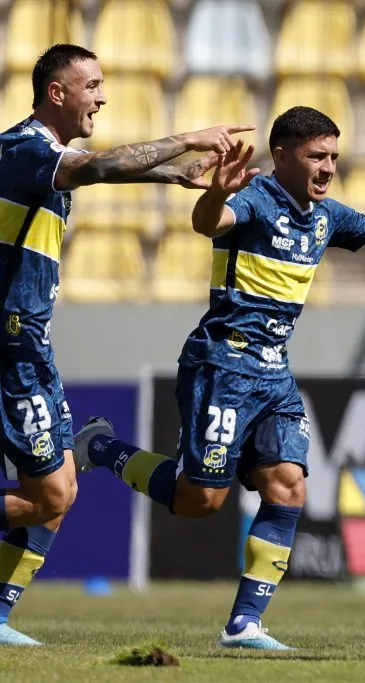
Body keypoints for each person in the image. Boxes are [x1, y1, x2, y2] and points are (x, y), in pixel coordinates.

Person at [73, 106, 365, 650]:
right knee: (200, 502)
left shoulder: (326, 216)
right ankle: (100, 447)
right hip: (222, 366)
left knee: (289, 485)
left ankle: (244, 624)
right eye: (317, 156)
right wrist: (216, 192)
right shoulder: (255, 198)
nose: (329, 167)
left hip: (274, 375)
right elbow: (207, 223)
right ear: (282, 155)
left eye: (334, 156)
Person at [0, 43, 247, 646]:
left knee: (59, 495)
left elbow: (96, 167)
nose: (103, 96)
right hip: (10, 344)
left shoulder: (47, 156)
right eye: (92, 86)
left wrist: (174, 174)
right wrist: (188, 138)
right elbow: (102, 167)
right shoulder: (23, 150)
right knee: (52, 494)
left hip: (31, 343)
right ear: (57, 93)